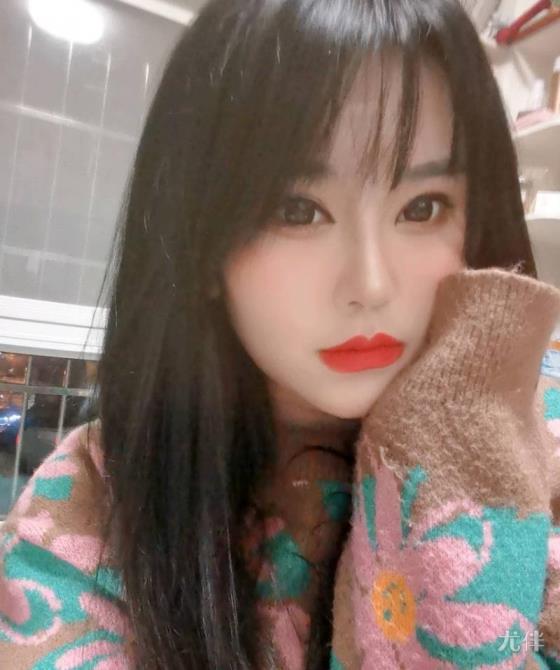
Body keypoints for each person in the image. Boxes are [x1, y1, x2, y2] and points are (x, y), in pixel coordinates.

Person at [1, 0, 560, 668]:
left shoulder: (544, 441)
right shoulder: (97, 498)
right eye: (298, 211)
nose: (370, 284)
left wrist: (462, 428)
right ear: (201, 240)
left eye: (422, 207)